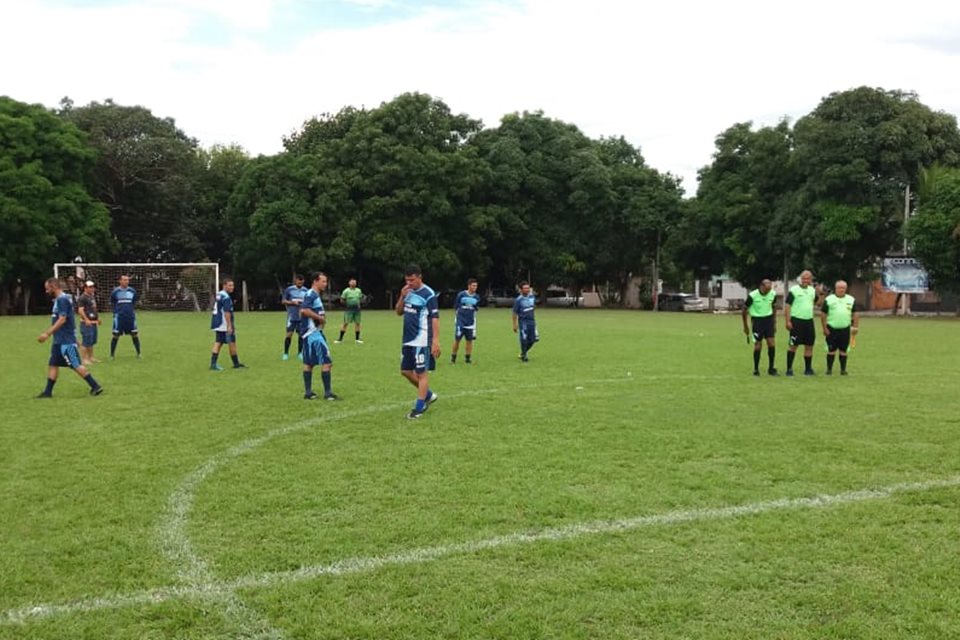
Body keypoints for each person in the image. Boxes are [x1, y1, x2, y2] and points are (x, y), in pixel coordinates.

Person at [36, 277, 103, 397]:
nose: (46, 291)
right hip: (59, 340)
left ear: (54, 287)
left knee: (76, 365)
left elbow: (63, 319)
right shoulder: (61, 299)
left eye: (47, 288)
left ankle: (95, 386)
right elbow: (69, 321)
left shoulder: (62, 300)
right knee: (53, 364)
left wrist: (47, 333)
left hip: (65, 341)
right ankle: (47, 392)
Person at [395, 264, 440, 419]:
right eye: (407, 280)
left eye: (412, 280)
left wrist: (435, 340)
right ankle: (428, 395)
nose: (409, 283)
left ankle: (419, 408)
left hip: (422, 340)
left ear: (420, 277)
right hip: (407, 339)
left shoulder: (428, 294)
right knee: (405, 371)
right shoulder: (407, 291)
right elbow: (398, 312)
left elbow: (435, 318)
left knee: (421, 373)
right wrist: (402, 296)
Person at [300, 272, 339, 400]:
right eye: (323, 281)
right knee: (327, 362)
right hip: (313, 333)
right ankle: (328, 393)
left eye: (326, 281)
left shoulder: (314, 295)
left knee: (309, 363)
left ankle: (308, 392)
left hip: (310, 333)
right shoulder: (311, 294)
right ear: (315, 281)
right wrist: (320, 319)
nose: (325, 284)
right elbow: (304, 310)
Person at [784, 270, 824, 376]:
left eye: (808, 278)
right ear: (800, 279)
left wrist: (821, 293)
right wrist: (787, 321)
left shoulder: (812, 290)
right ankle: (789, 369)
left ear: (811, 279)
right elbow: (787, 306)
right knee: (793, 345)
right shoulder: (794, 290)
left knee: (809, 345)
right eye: (803, 278)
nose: (805, 280)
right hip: (796, 321)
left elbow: (819, 304)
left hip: (809, 322)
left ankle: (808, 369)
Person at [820, 280, 859, 375]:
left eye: (843, 288)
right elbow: (823, 314)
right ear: (835, 288)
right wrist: (824, 328)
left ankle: (843, 370)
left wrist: (855, 326)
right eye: (839, 288)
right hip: (831, 329)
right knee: (831, 350)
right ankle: (829, 370)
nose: (841, 290)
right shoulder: (829, 299)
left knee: (843, 350)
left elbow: (856, 314)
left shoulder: (851, 299)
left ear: (846, 289)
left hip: (845, 329)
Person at [742, 278, 778, 376]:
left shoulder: (773, 294)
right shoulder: (752, 296)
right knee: (758, 345)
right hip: (757, 321)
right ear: (761, 286)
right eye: (766, 289)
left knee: (771, 344)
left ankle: (771, 368)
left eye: (769, 289)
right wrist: (745, 326)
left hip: (769, 320)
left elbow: (774, 307)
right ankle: (756, 369)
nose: (768, 291)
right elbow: (744, 310)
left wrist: (774, 322)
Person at [209, 278, 245, 371]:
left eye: (232, 285)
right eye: (229, 285)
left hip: (218, 321)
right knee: (226, 342)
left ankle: (215, 364)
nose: (232, 287)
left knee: (223, 342)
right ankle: (234, 364)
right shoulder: (226, 297)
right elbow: (227, 312)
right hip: (223, 323)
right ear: (224, 285)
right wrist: (229, 325)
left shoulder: (219, 294)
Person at [109, 274, 141, 359]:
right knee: (116, 335)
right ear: (120, 281)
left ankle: (138, 353)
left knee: (134, 334)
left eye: (127, 280)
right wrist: (116, 312)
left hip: (130, 316)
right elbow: (113, 302)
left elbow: (134, 302)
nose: (126, 281)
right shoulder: (115, 292)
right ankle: (112, 355)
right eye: (124, 280)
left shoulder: (132, 291)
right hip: (119, 317)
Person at [451, 278, 481, 364]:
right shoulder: (461, 294)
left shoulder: (477, 297)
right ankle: (453, 358)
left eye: (476, 286)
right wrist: (458, 316)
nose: (475, 287)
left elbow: (476, 308)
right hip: (460, 321)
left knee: (469, 340)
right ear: (469, 286)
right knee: (457, 339)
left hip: (470, 321)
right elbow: (456, 306)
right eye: (473, 285)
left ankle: (467, 358)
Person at [281, 274, 308, 361]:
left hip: (302, 317)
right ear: (295, 281)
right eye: (298, 281)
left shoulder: (306, 290)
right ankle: (285, 353)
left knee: (301, 336)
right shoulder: (290, 289)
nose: (300, 282)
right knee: (289, 335)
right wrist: (292, 303)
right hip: (292, 316)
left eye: (302, 281)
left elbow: (308, 303)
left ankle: (300, 353)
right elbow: (283, 301)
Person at [512, 282, 538, 362]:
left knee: (533, 340)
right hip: (523, 322)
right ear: (521, 290)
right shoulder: (518, 300)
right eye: (525, 288)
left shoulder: (532, 297)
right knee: (524, 339)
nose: (527, 290)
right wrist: (514, 325)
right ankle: (524, 356)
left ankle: (523, 352)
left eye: (528, 288)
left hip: (532, 321)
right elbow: (514, 313)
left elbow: (533, 307)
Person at [77, 280, 102, 365]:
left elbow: (94, 308)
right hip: (86, 323)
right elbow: (80, 310)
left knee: (91, 341)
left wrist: (98, 318)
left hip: (93, 322)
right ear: (85, 288)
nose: (92, 289)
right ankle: (84, 359)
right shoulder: (82, 298)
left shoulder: (92, 297)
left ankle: (91, 357)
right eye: (90, 287)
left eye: (93, 287)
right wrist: (86, 319)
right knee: (86, 341)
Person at [336, 278, 364, 344]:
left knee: (357, 323)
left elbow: (360, 298)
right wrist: (347, 305)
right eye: (352, 282)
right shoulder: (346, 291)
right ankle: (340, 339)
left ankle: (357, 339)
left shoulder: (358, 290)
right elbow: (342, 299)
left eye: (355, 282)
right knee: (345, 323)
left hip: (357, 310)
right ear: (349, 283)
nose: (354, 283)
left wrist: (359, 304)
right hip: (349, 310)